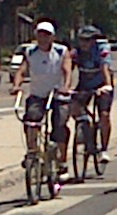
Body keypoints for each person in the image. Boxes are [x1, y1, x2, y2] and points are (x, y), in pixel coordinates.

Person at [10, 21, 73, 175]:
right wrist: (16, 85)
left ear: (52, 37)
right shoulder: (31, 52)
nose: (43, 38)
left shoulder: (61, 51)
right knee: (31, 121)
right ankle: (32, 152)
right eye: (40, 34)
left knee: (59, 125)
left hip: (57, 94)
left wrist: (65, 86)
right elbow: (22, 70)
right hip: (38, 94)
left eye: (46, 35)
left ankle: (62, 161)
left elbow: (67, 70)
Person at [69, 25, 115, 163]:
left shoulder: (102, 50)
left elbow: (105, 68)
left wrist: (107, 85)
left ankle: (104, 149)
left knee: (104, 115)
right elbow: (69, 70)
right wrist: (67, 87)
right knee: (74, 105)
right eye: (82, 40)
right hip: (85, 84)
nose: (84, 43)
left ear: (94, 40)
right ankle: (85, 125)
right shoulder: (76, 52)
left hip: (102, 84)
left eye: (88, 40)